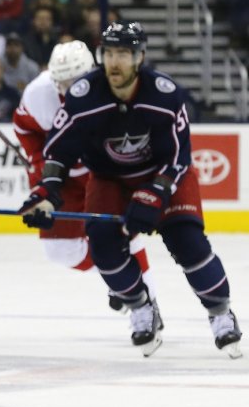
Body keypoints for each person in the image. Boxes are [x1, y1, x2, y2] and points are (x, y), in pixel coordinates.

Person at [19, 22, 242, 359]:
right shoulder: (83, 96)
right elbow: (58, 151)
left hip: (164, 176)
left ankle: (220, 312)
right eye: (109, 53)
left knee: (189, 244)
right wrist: (46, 191)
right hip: (109, 179)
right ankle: (141, 305)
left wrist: (153, 194)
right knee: (104, 247)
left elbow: (180, 158)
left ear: (139, 57)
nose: (115, 61)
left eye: (123, 53)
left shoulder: (165, 95)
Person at [13, 40, 157, 313]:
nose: (67, 90)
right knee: (59, 251)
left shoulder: (117, 91)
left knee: (122, 236)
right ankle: (119, 280)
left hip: (102, 173)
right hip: (63, 176)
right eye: (61, 82)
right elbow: (24, 128)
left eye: (74, 81)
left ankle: (147, 302)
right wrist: (39, 166)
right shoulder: (37, 94)